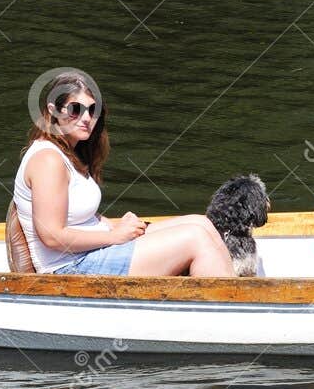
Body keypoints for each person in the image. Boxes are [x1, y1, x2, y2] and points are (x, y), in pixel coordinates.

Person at [14, 70, 234, 277]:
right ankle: (231, 306)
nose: (86, 118)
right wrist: (114, 236)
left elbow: (79, 216)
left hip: (92, 250)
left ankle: (237, 293)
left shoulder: (69, 152)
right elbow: (52, 236)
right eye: (75, 109)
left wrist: (115, 226)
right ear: (53, 110)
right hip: (69, 268)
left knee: (201, 223)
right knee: (194, 238)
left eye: (92, 110)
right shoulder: (48, 160)